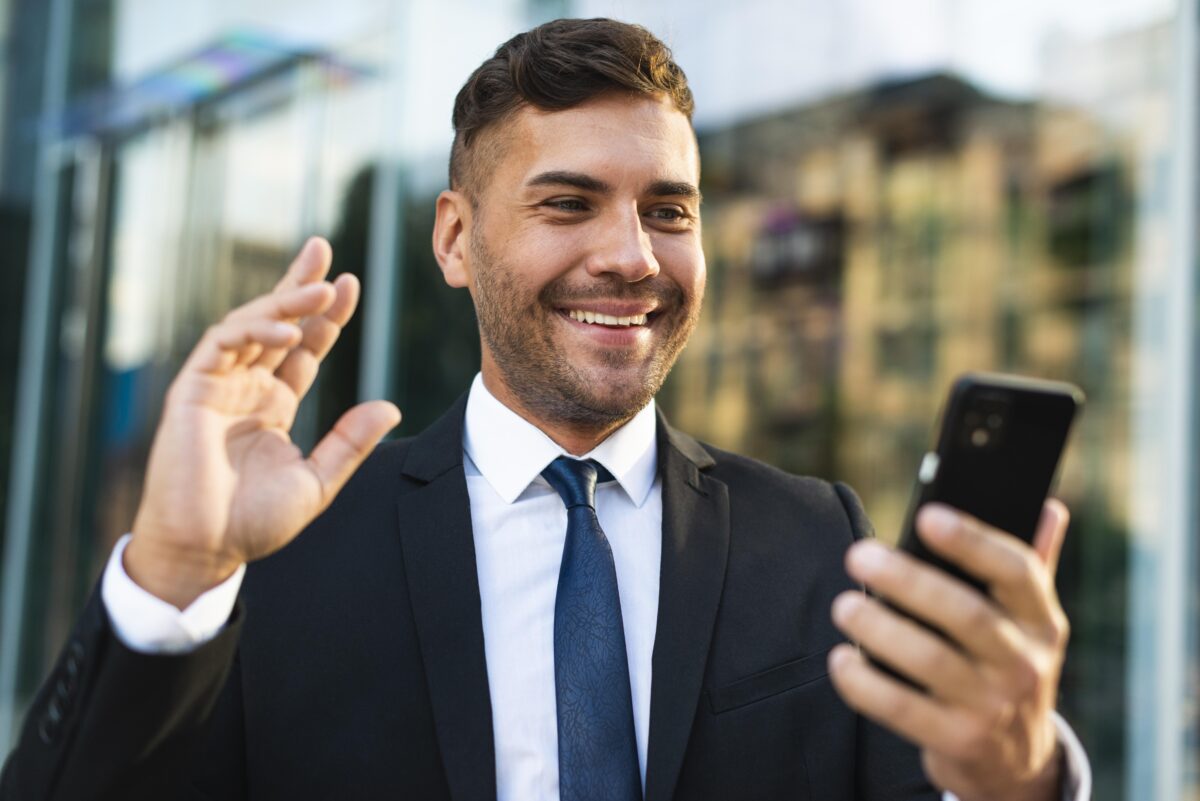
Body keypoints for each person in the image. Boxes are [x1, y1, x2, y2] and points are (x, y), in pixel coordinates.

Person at [1, 18, 1088, 801]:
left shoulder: (818, 541)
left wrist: (1018, 779)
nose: (629, 257)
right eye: (567, 204)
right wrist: (178, 577)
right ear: (455, 239)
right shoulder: (287, 550)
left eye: (668, 211)